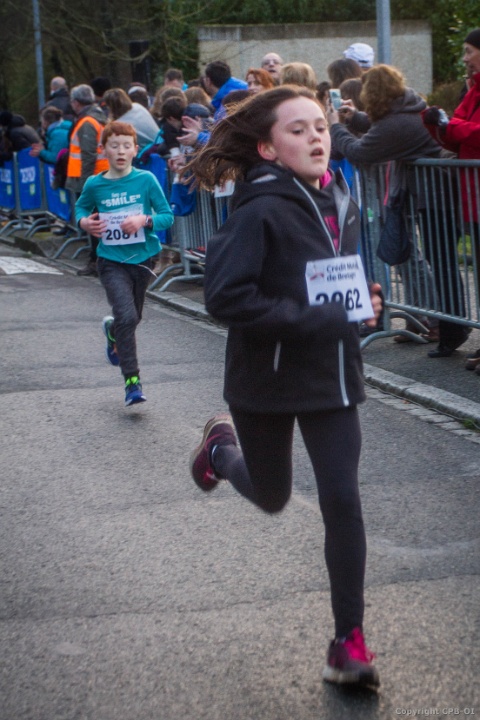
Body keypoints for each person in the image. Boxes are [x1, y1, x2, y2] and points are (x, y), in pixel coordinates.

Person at [186, 85, 383, 689]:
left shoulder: (342, 199)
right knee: (272, 495)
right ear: (268, 149)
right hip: (266, 378)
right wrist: (316, 316)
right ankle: (221, 452)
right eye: (297, 130)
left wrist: (364, 302)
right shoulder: (259, 210)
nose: (316, 137)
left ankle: (348, 642)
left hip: (332, 374)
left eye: (319, 126)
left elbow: (334, 282)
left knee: (342, 500)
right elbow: (225, 297)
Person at [327, 64, 468, 353]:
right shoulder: (407, 109)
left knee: (440, 264)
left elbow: (360, 151)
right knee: (436, 261)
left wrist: (337, 127)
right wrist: (354, 117)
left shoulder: (397, 123)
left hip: (435, 197)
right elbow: (382, 127)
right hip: (431, 195)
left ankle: (451, 328)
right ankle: (445, 325)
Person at [75, 121, 174, 406]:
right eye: (114, 146)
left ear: (135, 150)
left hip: (143, 258)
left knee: (132, 319)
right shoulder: (95, 184)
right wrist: (85, 222)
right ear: (103, 150)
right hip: (111, 261)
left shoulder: (146, 180)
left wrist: (145, 220)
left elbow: (167, 216)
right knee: (127, 317)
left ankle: (113, 331)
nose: (120, 151)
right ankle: (132, 382)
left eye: (126, 146)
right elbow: (81, 207)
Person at [423, 28, 480, 371]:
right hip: (473, 196)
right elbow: (455, 135)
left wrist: (451, 127)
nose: (464, 58)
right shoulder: (473, 90)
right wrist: (437, 125)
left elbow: (466, 130)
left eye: (469, 51)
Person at [66, 84, 110, 276]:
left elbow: (88, 155)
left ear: (76, 103)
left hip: (91, 178)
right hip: (100, 175)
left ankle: (97, 261)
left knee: (93, 221)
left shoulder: (87, 122)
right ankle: (99, 260)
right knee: (97, 220)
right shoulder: (97, 117)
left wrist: (86, 184)